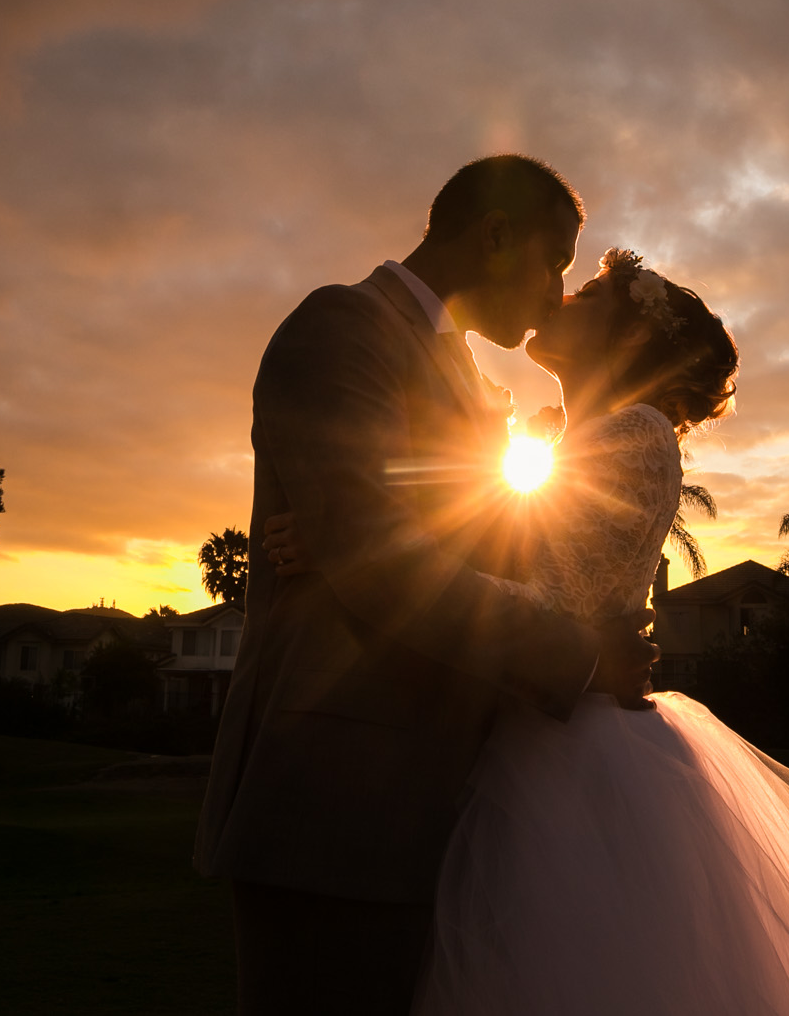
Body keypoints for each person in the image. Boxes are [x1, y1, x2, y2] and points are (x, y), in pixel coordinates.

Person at [274, 248, 789, 1016]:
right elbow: (485, 548)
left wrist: (352, 554)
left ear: (628, 336)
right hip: (534, 719)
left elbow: (550, 599)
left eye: (586, 291)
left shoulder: (636, 437)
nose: (559, 295)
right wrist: (354, 539)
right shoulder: (572, 438)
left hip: (570, 754)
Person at [193, 155, 662, 1016]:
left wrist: (351, 540)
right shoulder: (343, 326)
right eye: (554, 259)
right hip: (332, 805)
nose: (559, 291)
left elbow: (440, 539)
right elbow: (382, 556)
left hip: (430, 802)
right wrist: (580, 656)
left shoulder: (474, 385)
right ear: (493, 237)